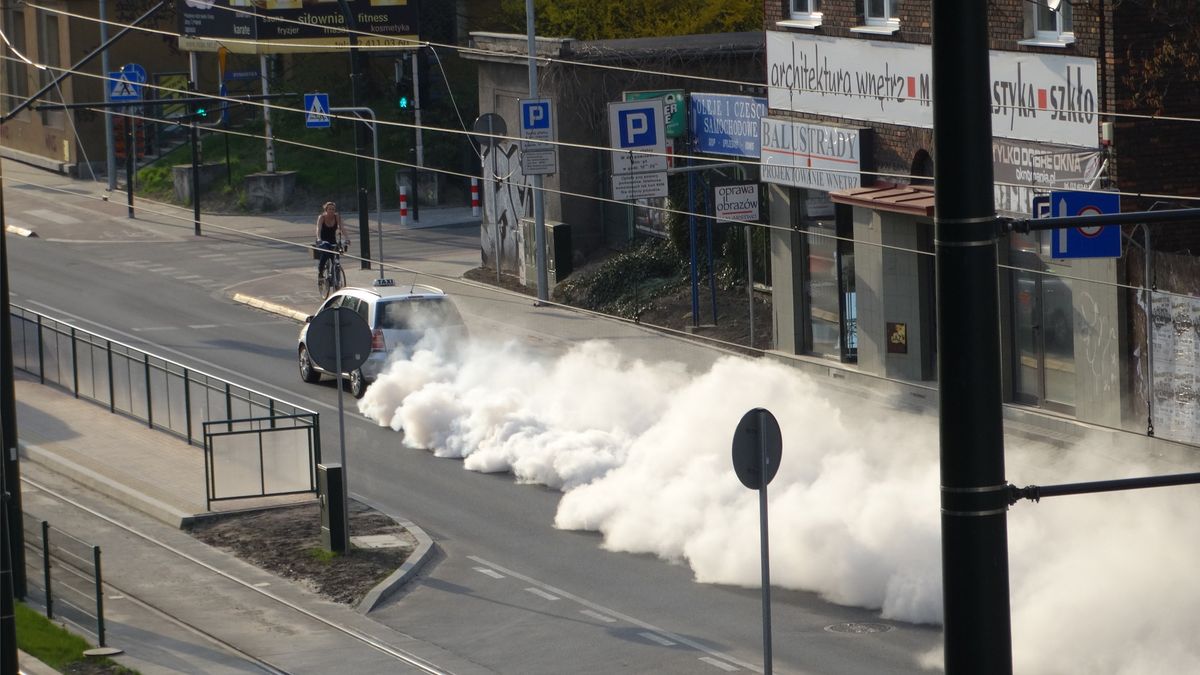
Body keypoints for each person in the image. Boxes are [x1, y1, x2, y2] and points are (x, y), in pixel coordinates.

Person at [315, 201, 349, 278]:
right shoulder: (322, 217)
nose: (331, 211)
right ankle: (320, 273)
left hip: (332, 241)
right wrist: (318, 238)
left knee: (335, 258)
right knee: (325, 254)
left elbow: (342, 228)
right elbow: (318, 229)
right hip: (322, 241)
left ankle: (336, 279)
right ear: (326, 210)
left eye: (333, 209)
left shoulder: (337, 217)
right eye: (329, 209)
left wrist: (347, 238)